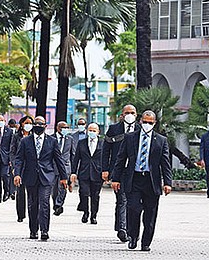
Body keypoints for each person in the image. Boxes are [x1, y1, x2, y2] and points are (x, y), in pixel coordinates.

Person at [111, 110, 172, 251]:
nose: (147, 125)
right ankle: (133, 236)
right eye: (144, 122)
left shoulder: (161, 141)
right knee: (133, 209)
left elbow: (165, 163)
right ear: (140, 121)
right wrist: (115, 179)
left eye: (150, 123)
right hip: (134, 179)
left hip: (151, 181)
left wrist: (168, 183)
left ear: (154, 123)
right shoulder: (130, 137)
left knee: (150, 214)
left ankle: (146, 242)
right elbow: (121, 159)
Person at [13, 116, 67, 241]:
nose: (38, 126)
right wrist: (17, 174)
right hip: (30, 176)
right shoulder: (25, 141)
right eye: (36, 124)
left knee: (44, 203)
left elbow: (59, 160)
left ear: (45, 126)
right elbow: (19, 159)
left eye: (41, 124)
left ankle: (44, 230)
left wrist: (64, 177)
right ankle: (33, 230)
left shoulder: (52, 141)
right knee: (32, 204)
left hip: (47, 177)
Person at [102, 104, 139, 242]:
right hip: (119, 171)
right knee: (121, 200)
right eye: (127, 112)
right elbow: (106, 150)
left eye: (132, 112)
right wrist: (105, 169)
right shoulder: (113, 129)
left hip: (135, 172)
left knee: (133, 202)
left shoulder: (141, 130)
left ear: (136, 115)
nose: (130, 115)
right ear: (122, 115)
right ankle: (122, 229)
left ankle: (129, 228)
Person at [70, 123, 103, 224]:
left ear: (98, 132)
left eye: (94, 130)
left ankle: (93, 215)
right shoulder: (82, 143)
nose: (92, 132)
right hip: (84, 172)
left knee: (95, 195)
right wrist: (73, 172)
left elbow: (106, 159)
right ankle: (85, 212)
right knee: (83, 193)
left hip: (97, 173)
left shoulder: (103, 143)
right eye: (90, 130)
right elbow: (76, 159)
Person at [10, 116, 33, 222]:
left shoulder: (34, 136)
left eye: (30, 123)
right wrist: (14, 167)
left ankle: (32, 212)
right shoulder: (16, 136)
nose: (28, 125)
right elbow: (13, 152)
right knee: (20, 192)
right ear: (22, 124)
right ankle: (20, 214)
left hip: (31, 167)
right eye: (26, 123)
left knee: (32, 192)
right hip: (19, 166)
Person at [52, 121, 75, 216]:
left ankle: (59, 204)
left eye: (67, 127)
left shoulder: (70, 139)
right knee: (54, 189)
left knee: (63, 187)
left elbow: (72, 154)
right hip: (53, 166)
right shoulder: (51, 138)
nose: (66, 129)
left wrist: (73, 170)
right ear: (58, 128)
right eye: (63, 127)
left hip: (65, 167)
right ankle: (55, 204)